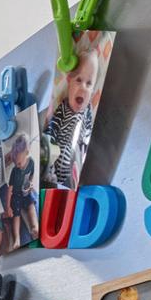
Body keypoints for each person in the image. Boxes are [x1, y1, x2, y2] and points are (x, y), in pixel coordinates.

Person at [42, 36, 104, 192]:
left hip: (74, 169)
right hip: (54, 167)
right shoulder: (63, 108)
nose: (83, 87)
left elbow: (88, 132)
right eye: (79, 80)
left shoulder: (88, 112)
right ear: (69, 81)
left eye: (89, 83)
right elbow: (52, 129)